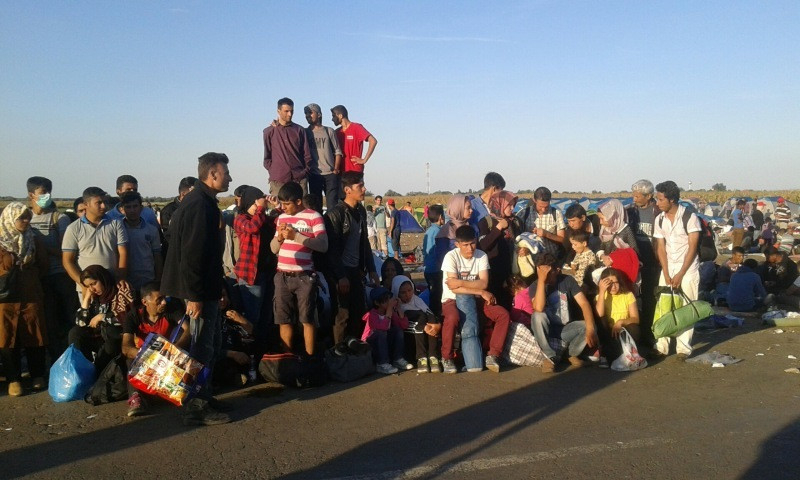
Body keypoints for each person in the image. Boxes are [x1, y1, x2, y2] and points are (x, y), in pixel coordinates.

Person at [161, 152, 233, 426]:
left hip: (207, 288)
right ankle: (196, 406)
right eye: (225, 173)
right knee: (201, 348)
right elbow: (192, 255)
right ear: (212, 174)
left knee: (210, 345)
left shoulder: (203, 201)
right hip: (198, 291)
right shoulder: (199, 205)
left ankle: (206, 396)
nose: (229, 178)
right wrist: (194, 296)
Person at [440, 225, 510, 374]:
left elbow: (483, 282)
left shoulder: (481, 255)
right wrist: (480, 291)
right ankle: (446, 357)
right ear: (457, 244)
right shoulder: (450, 257)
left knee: (502, 314)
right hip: (452, 299)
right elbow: (454, 289)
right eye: (465, 245)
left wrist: (460, 282)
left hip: (477, 299)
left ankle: (493, 355)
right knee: (452, 318)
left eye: (472, 243)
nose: (470, 248)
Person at [271, 181, 328, 357]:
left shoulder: (314, 216)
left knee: (307, 319)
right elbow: (273, 249)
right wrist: (280, 238)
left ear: (298, 201)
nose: (283, 207)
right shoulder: (282, 218)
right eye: (282, 203)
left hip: (304, 276)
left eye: (287, 204)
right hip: (282, 275)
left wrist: (296, 236)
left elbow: (323, 245)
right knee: (284, 320)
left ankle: (310, 359)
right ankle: (287, 359)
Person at [324, 171, 380, 347]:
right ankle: (339, 351)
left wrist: (372, 269)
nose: (364, 189)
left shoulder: (361, 211)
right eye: (360, 186)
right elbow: (332, 249)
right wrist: (340, 276)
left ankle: (354, 349)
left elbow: (364, 243)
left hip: (356, 270)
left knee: (358, 311)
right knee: (342, 314)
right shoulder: (335, 214)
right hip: (341, 271)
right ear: (347, 190)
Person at [26, 176, 77, 361]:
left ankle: (72, 357)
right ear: (31, 195)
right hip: (38, 277)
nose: (46, 196)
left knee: (69, 320)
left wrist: (41, 247)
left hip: (59, 275)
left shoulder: (59, 218)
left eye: (48, 192)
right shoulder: (25, 218)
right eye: (42, 192)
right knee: (48, 323)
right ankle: (56, 360)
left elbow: (65, 251)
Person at [0, 203, 48, 396]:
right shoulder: (1, 241)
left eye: (28, 217)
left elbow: (43, 265)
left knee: (34, 333)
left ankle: (37, 375)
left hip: (30, 293)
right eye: (21, 218)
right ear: (10, 219)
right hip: (5, 298)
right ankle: (14, 379)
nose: (26, 221)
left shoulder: (33, 239)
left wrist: (29, 277)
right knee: (7, 336)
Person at [121, 282, 187, 416]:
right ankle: (136, 398)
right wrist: (146, 355)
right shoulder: (133, 316)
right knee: (130, 360)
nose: (164, 302)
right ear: (145, 302)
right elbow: (126, 346)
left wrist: (176, 348)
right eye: (159, 300)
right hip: (146, 360)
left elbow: (188, 329)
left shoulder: (171, 309)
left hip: (169, 357)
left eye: (164, 298)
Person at [653, 180, 701, 360]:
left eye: (660, 199)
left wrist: (681, 273)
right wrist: (665, 272)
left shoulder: (690, 217)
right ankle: (661, 346)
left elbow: (692, 247)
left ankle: (683, 349)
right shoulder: (659, 219)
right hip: (668, 267)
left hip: (688, 268)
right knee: (664, 306)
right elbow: (660, 247)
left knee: (687, 308)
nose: (657, 203)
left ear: (671, 199)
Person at [529, 253, 598, 373]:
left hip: (564, 329)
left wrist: (590, 329)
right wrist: (541, 281)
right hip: (546, 331)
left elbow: (584, 303)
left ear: (557, 270)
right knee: (537, 316)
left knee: (588, 325)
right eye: (542, 272)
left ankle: (570, 354)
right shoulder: (535, 285)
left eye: (548, 272)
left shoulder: (567, 280)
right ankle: (549, 357)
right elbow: (538, 308)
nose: (545, 275)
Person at [62, 186, 129, 292]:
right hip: (87, 289)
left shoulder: (116, 223)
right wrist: (84, 285)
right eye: (98, 203)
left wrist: (120, 277)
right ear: (86, 204)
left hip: (111, 285)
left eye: (104, 202)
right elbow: (67, 261)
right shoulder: (73, 228)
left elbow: (123, 253)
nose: (103, 206)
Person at [68, 265, 134, 372]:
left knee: (110, 332)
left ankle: (102, 372)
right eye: (88, 286)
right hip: (99, 337)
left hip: (117, 339)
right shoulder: (96, 298)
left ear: (103, 278)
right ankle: (81, 371)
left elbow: (127, 318)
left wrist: (103, 317)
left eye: (94, 284)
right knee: (75, 333)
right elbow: (80, 323)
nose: (92, 289)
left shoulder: (120, 290)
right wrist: (86, 299)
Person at [233, 186, 271, 346]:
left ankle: (263, 346)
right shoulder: (241, 219)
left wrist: (277, 207)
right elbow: (252, 228)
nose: (258, 207)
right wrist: (261, 208)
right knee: (252, 315)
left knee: (266, 315)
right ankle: (250, 348)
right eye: (255, 203)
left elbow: (275, 224)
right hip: (250, 275)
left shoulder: (262, 217)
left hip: (265, 273)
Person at [626, 179, 662, 350]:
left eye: (638, 196)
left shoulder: (658, 212)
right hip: (635, 262)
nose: (634, 199)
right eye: (633, 195)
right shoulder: (630, 212)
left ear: (649, 196)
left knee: (650, 299)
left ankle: (650, 334)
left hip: (653, 262)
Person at [478, 190, 521, 309]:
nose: (512, 208)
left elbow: (520, 240)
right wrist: (498, 228)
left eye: (513, 205)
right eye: (509, 205)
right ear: (499, 204)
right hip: (494, 273)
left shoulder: (515, 222)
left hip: (512, 272)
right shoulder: (485, 222)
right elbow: (483, 245)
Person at [392, 275, 441, 373]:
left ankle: (433, 356)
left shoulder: (417, 300)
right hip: (409, 338)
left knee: (431, 319)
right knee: (420, 316)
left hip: (423, 330)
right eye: (403, 292)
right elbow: (403, 324)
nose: (407, 294)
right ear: (397, 292)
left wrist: (435, 325)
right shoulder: (395, 305)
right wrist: (423, 327)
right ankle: (421, 358)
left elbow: (429, 313)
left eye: (410, 290)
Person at [263, 97, 312, 195]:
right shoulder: (269, 131)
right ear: (278, 111)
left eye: (292, 111)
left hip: (299, 179)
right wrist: (274, 171)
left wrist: (305, 171)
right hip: (278, 180)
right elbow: (267, 156)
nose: (290, 114)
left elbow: (306, 154)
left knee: (303, 205)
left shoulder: (300, 130)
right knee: (279, 205)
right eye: (286, 111)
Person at [594, 267, 641, 366]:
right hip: (608, 333)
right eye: (609, 284)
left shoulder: (628, 295)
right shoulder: (601, 296)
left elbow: (636, 318)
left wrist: (621, 322)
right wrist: (601, 291)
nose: (613, 286)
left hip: (623, 330)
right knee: (600, 320)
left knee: (635, 328)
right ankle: (606, 353)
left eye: (616, 283)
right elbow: (599, 314)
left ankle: (621, 352)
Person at [361, 287, 411, 374]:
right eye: (385, 301)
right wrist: (389, 309)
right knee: (381, 333)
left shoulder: (389, 312)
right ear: (377, 303)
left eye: (389, 300)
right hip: (371, 345)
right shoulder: (372, 314)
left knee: (398, 330)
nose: (389, 303)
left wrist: (399, 309)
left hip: (384, 344)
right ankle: (382, 363)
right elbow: (383, 327)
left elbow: (404, 325)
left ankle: (398, 359)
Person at [120, 191, 162, 291]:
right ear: (122, 210)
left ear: (141, 208)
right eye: (128, 207)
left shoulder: (151, 230)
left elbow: (157, 256)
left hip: (147, 280)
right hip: (126, 282)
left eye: (135, 206)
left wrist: (159, 278)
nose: (132, 210)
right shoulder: (118, 229)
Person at [304, 103, 343, 210]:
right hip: (314, 174)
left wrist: (336, 169)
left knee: (332, 206)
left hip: (330, 174)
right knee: (315, 207)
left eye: (310, 113)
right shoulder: (305, 132)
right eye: (306, 113)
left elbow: (338, 151)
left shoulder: (329, 131)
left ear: (319, 114)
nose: (307, 115)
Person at [516, 186, 566, 260]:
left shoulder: (556, 213)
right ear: (534, 200)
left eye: (546, 206)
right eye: (540, 206)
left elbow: (562, 239)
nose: (543, 209)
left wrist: (547, 234)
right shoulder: (524, 213)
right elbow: (517, 237)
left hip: (551, 257)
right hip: (531, 257)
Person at [330, 105, 377, 174]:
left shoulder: (356, 127)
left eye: (333, 116)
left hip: (354, 170)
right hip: (341, 171)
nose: (332, 119)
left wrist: (364, 160)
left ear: (340, 116)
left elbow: (373, 141)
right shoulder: (337, 132)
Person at [423, 204, 445, 317]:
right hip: (436, 269)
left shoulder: (429, 231)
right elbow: (439, 252)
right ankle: (435, 317)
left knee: (433, 294)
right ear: (441, 217)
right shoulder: (439, 232)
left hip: (428, 269)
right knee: (437, 295)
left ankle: (433, 315)